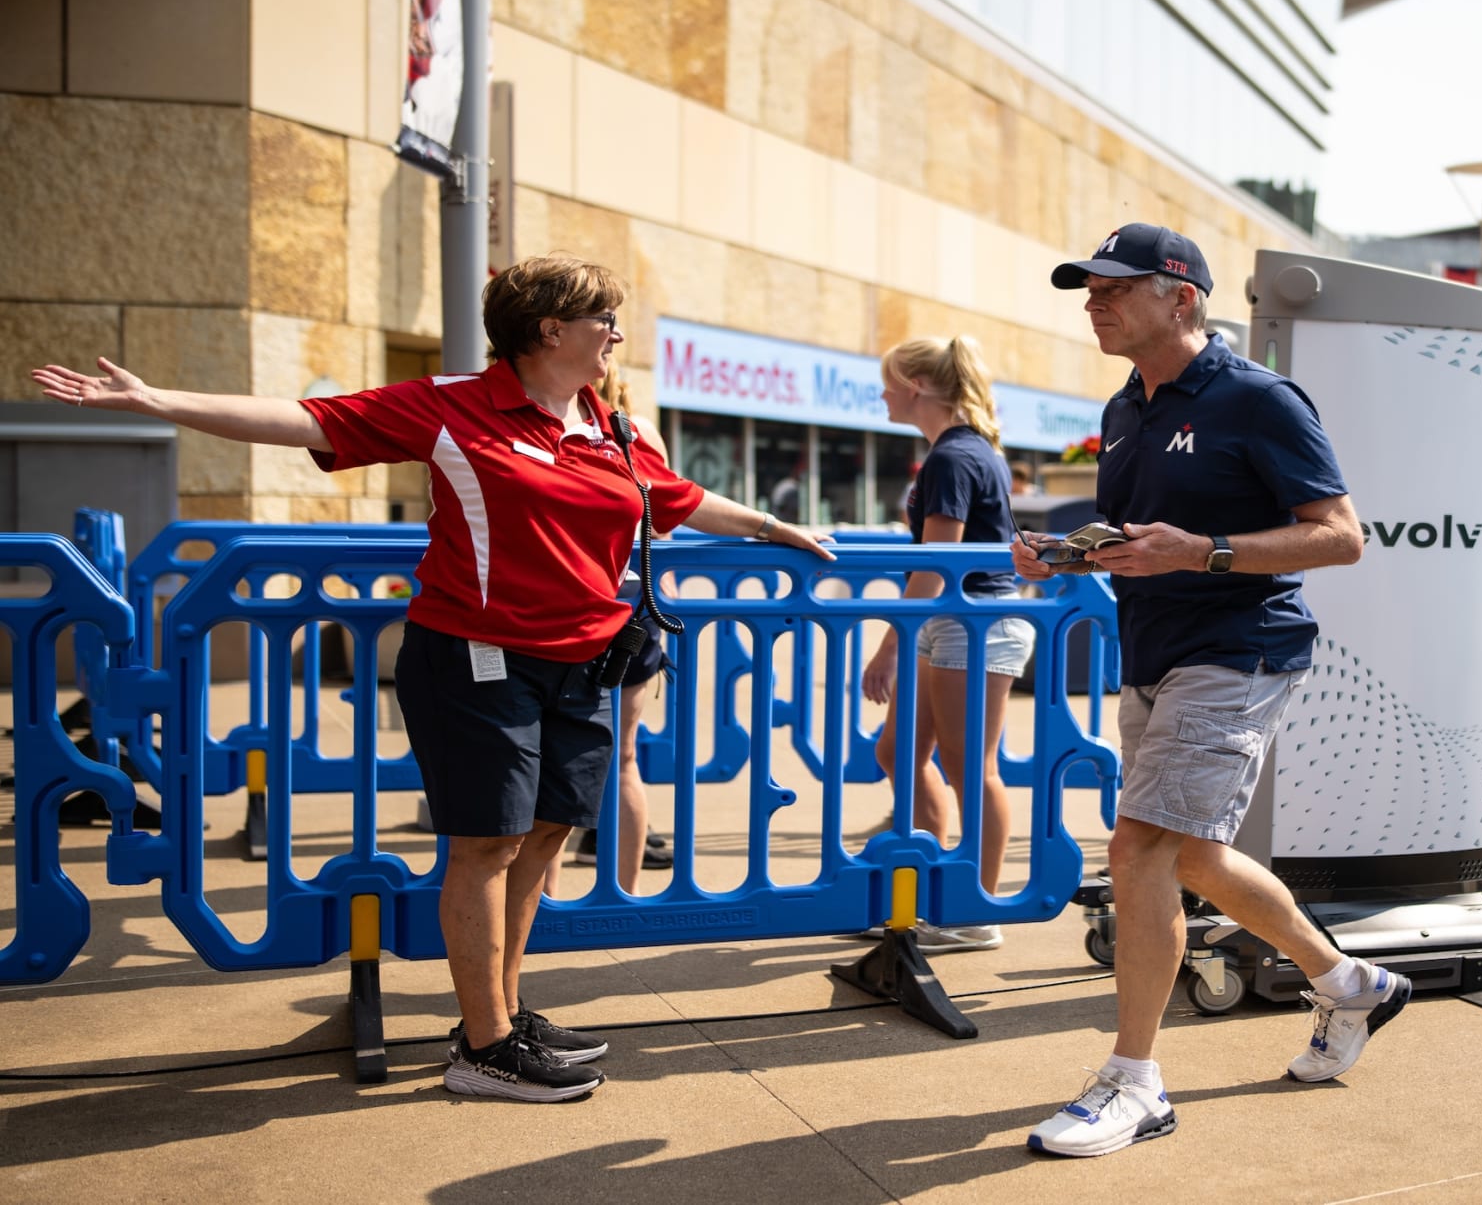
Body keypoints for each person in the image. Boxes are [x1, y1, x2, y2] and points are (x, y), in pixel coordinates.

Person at [32, 255, 834, 1101]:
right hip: (477, 659)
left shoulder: (608, 424)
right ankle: (483, 1048)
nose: (618, 334)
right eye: (606, 319)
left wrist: (773, 525)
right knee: (487, 843)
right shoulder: (451, 406)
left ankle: (502, 1012)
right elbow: (301, 419)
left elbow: (674, 499)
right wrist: (159, 401)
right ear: (550, 329)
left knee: (549, 834)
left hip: (585, 661)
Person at [1014, 223, 1395, 1158]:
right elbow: (1147, 537)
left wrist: (1207, 552)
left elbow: (1342, 535)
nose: (1093, 302)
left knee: (1138, 847)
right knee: (1191, 859)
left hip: (1239, 649)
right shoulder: (1122, 409)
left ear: (1181, 296)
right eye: (1087, 289)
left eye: (1113, 286)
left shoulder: (1258, 399)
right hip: (1153, 651)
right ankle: (1349, 983)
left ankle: (1134, 1084)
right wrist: (1073, 553)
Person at [860, 336, 1034, 953]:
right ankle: (933, 885)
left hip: (975, 619)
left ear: (915, 386)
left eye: (887, 382)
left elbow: (935, 566)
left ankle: (974, 909)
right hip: (956, 620)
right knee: (899, 752)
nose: (881, 392)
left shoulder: (953, 457)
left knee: (967, 767)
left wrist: (888, 647)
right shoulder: (957, 452)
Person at [542, 364, 677, 899]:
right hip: (633, 604)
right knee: (624, 758)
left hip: (570, 608)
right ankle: (624, 896)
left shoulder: (550, 427)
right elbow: (663, 524)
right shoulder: (640, 430)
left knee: (552, 760)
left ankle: (543, 902)